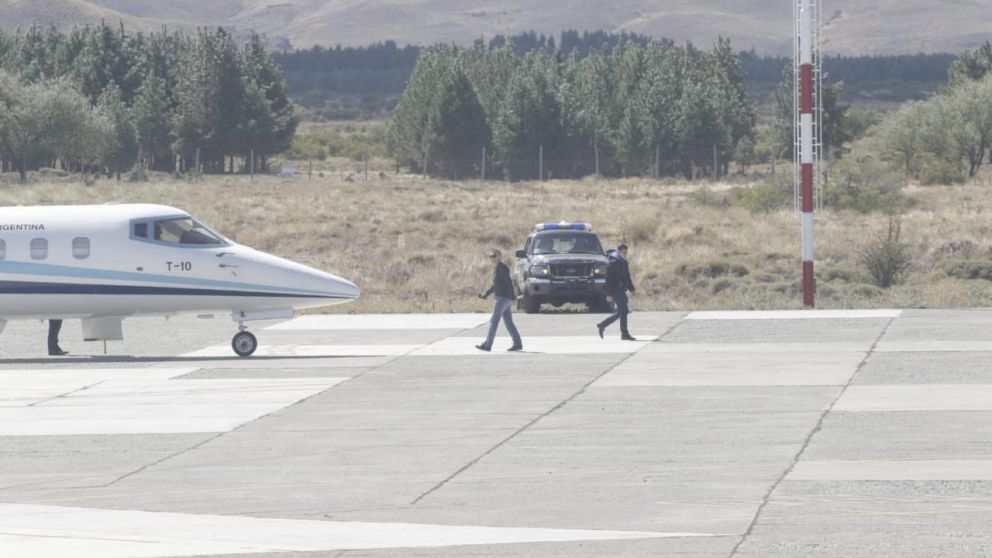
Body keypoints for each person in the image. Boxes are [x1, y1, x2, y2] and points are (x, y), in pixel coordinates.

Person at [476, 248, 523, 352]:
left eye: (494, 256)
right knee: (509, 322)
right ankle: (517, 344)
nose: (492, 258)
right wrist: (486, 293)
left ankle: (487, 344)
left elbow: (509, 282)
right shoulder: (496, 268)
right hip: (503, 298)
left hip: (502, 299)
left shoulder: (502, 268)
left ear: (499, 257)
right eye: (490, 256)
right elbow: (496, 285)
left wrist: (513, 297)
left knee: (494, 321)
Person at [597, 244, 636, 341]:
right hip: (616, 291)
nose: (625, 254)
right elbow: (609, 280)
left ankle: (602, 325)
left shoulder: (624, 262)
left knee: (622, 312)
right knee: (624, 311)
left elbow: (627, 276)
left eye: (626, 252)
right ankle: (624, 334)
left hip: (622, 290)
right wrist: (608, 294)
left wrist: (631, 288)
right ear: (618, 252)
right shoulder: (613, 263)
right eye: (623, 252)